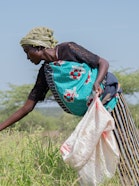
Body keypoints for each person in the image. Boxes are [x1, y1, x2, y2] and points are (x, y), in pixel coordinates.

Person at [0, 27, 138, 185]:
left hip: (111, 100)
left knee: (127, 147)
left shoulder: (68, 49)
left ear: (38, 47)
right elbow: (27, 107)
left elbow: (102, 62)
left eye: (27, 51)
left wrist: (97, 83)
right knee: (108, 153)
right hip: (92, 113)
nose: (27, 58)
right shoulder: (46, 73)